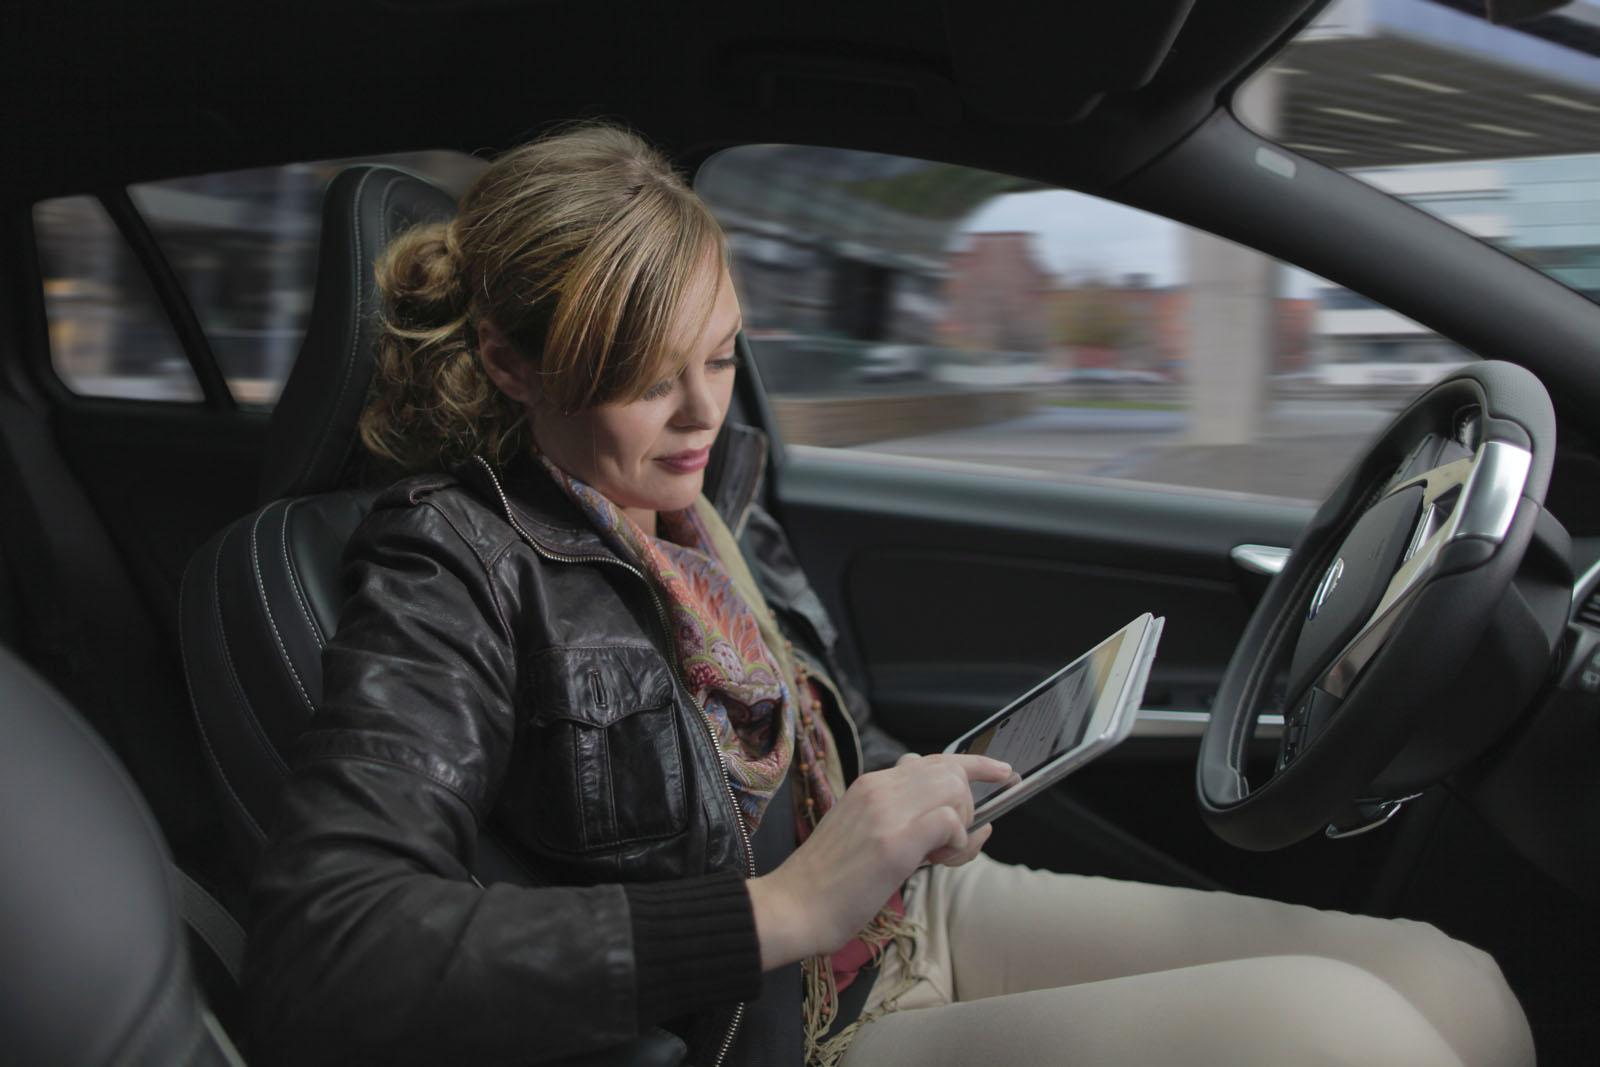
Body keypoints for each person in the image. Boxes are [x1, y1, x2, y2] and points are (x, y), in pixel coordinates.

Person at [243, 124, 1535, 1067]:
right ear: (510, 364)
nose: (701, 413)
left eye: (721, 356)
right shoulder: (450, 564)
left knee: (1453, 982)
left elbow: (814, 740)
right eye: (645, 377)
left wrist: (914, 801)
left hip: (905, 916)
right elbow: (328, 950)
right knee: (1348, 1038)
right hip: (784, 1024)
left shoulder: (705, 504)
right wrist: (783, 906)